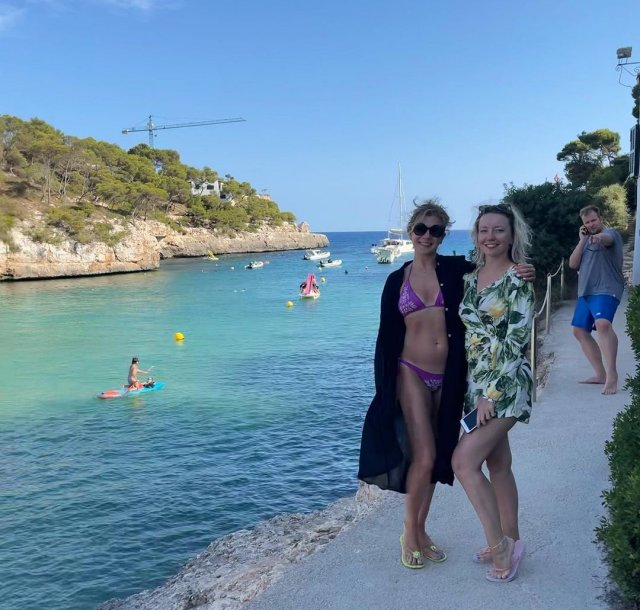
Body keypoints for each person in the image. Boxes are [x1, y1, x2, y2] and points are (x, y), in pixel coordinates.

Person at [358, 199, 534, 569]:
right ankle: (411, 533)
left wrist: (524, 269)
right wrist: (384, 390)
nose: (427, 235)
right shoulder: (397, 280)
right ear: (410, 232)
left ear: (444, 235)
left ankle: (501, 541)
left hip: (458, 381)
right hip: (414, 373)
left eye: (436, 230)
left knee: (473, 460)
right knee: (424, 457)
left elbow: (498, 275)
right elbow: (386, 339)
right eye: (421, 228)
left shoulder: (456, 271)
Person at [452, 202, 534, 583]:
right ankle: (511, 539)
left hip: (505, 387)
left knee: (463, 462)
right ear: (476, 235)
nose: (491, 237)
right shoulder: (470, 278)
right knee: (498, 465)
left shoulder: (518, 279)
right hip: (476, 387)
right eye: (484, 230)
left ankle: (500, 546)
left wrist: (490, 394)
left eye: (499, 230)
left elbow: (515, 343)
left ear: (511, 235)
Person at [568, 205, 624, 395]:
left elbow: (608, 239)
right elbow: (573, 264)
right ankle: (600, 374)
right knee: (579, 330)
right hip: (586, 292)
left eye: (594, 220)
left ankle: (612, 375)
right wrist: (582, 240)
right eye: (587, 222)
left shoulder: (611, 234)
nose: (591, 224)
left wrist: (599, 238)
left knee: (602, 324)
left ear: (600, 218)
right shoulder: (584, 241)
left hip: (607, 288)